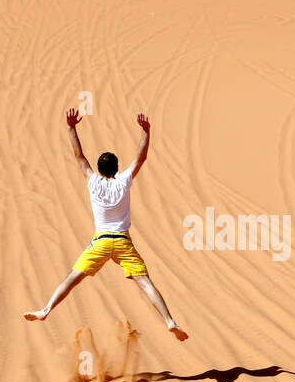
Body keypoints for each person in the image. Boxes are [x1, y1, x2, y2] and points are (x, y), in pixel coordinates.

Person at [24, 108, 189, 341]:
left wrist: (71, 127)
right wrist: (146, 132)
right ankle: (170, 321)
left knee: (72, 278)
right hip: (122, 242)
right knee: (144, 282)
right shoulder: (124, 180)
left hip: (101, 242)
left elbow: (79, 157)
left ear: (100, 169)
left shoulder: (93, 181)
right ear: (116, 167)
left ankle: (46, 309)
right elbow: (141, 158)